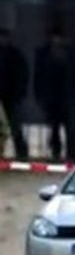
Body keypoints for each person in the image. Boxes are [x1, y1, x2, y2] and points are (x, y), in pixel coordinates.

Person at [33, 26, 75, 161]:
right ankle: (56, 152)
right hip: (52, 96)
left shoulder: (72, 53)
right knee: (54, 127)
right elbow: (38, 76)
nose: (56, 40)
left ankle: (71, 155)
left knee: (70, 127)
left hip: (68, 96)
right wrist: (40, 95)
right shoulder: (43, 53)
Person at [0, 28, 29, 159]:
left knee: (15, 126)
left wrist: (19, 94)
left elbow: (22, 76)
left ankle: (22, 153)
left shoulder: (15, 56)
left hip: (12, 97)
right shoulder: (15, 55)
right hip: (10, 96)